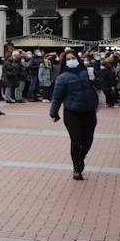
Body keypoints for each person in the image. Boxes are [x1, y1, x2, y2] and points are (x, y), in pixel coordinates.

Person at [50, 50, 99, 181]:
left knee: (88, 140)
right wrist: (53, 113)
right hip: (72, 113)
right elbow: (56, 97)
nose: (71, 60)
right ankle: (76, 167)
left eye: (73, 58)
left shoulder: (87, 72)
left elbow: (102, 86)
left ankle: (81, 158)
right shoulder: (62, 77)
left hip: (89, 111)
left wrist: (95, 79)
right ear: (64, 62)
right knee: (76, 141)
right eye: (68, 59)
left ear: (78, 59)